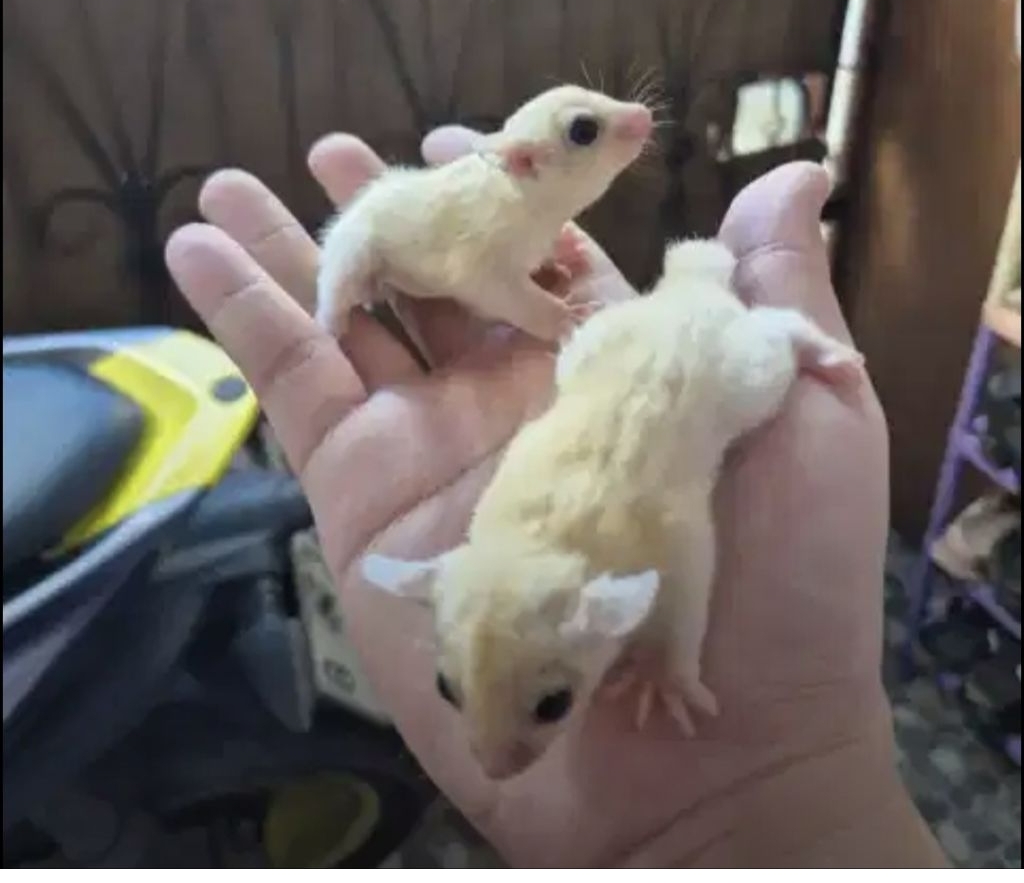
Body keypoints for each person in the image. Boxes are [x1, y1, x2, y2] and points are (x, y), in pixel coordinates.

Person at [165, 127, 948, 868]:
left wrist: (672, 659)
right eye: (453, 685)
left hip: (692, 348)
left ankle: (788, 335)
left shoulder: (611, 563)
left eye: (549, 707)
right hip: (627, 351)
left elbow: (683, 539)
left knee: (748, 375)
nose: (492, 761)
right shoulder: (520, 545)